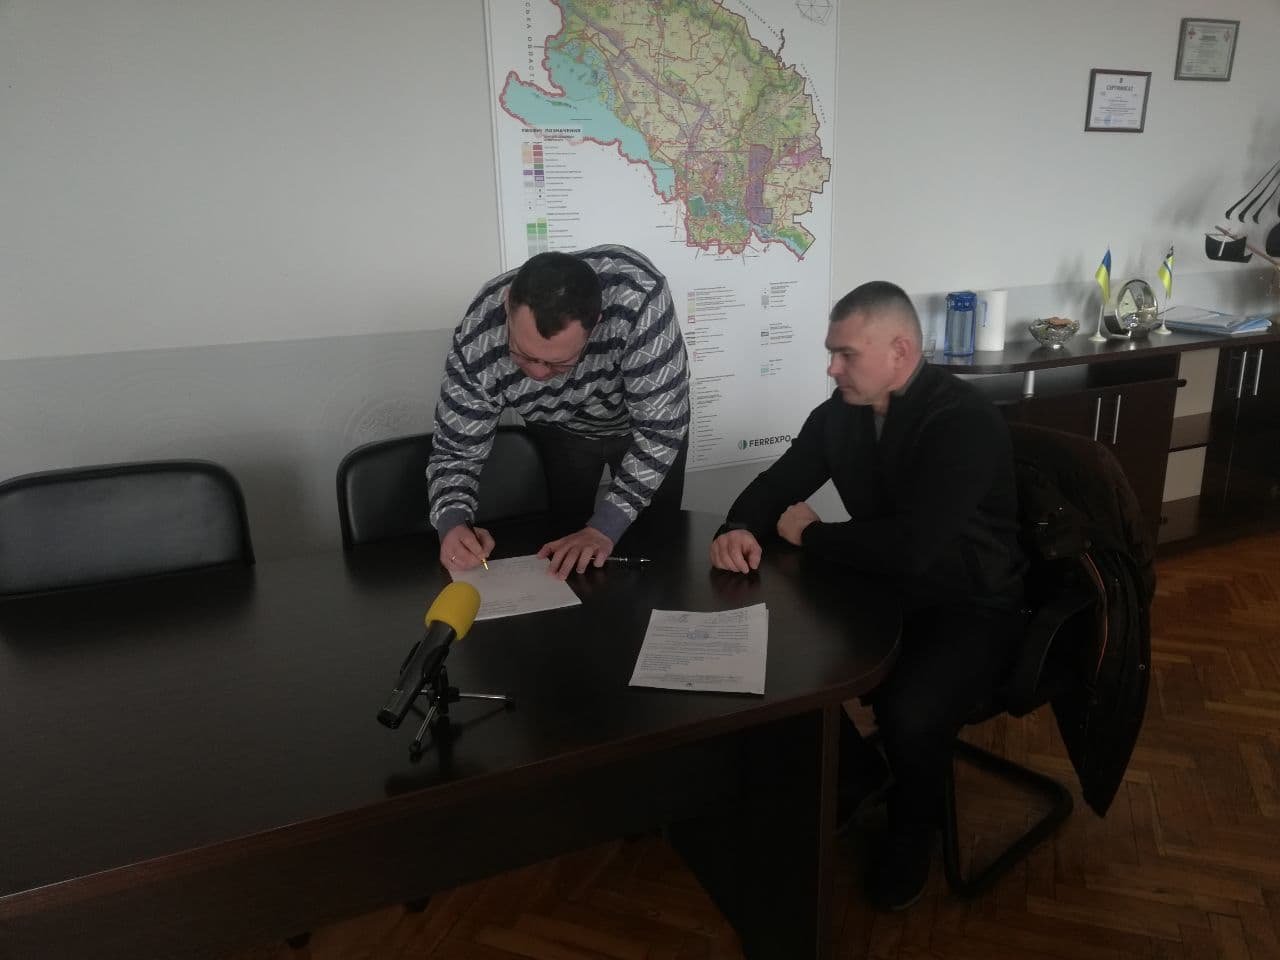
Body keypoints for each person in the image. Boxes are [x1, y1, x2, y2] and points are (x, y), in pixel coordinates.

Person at [708, 281, 1025, 911]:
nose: (831, 367)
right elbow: (779, 483)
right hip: (885, 583)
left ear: (900, 351)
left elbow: (914, 547)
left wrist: (812, 534)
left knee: (910, 710)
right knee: (781, 656)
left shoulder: (962, 422)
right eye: (832, 353)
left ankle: (915, 827)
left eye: (845, 354)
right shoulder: (842, 415)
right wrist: (736, 526)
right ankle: (856, 779)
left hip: (971, 601)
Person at [428, 244, 690, 579]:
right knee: (562, 547)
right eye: (523, 354)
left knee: (655, 544)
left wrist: (604, 528)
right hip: (558, 429)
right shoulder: (479, 335)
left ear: (596, 323)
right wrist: (452, 521)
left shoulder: (638, 297)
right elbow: (456, 451)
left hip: (642, 428)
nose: (538, 374)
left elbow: (660, 429)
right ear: (507, 304)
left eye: (559, 364)